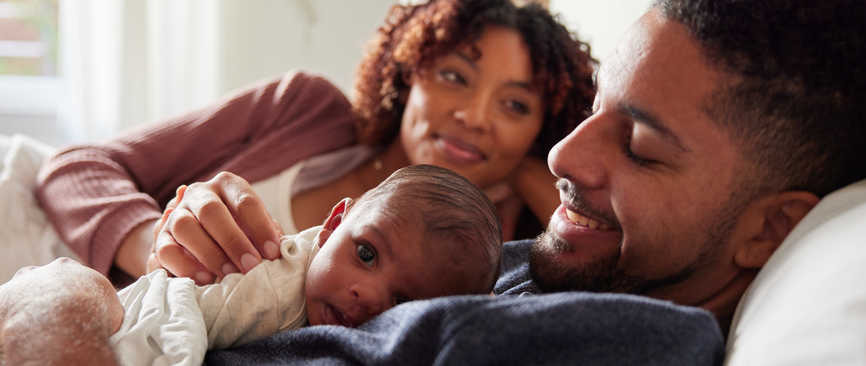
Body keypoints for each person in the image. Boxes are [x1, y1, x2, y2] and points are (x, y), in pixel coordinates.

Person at [0, 0, 866, 364]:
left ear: (770, 229)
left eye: (642, 147)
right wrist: (156, 238)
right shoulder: (524, 265)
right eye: (593, 114)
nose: (564, 157)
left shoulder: (612, 329)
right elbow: (78, 167)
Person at [34, 0, 596, 287]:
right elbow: (76, 167)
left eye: (515, 106)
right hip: (35, 249)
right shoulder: (304, 107)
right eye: (454, 76)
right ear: (408, 75)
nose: (474, 117)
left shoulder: (502, 251)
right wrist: (154, 247)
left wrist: (537, 172)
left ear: (540, 132)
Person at [0, 164, 502, 365]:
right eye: (366, 254)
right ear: (333, 224)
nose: (369, 296)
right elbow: (70, 169)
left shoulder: (492, 281)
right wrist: (162, 238)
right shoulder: (279, 273)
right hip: (112, 300)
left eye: (403, 301)